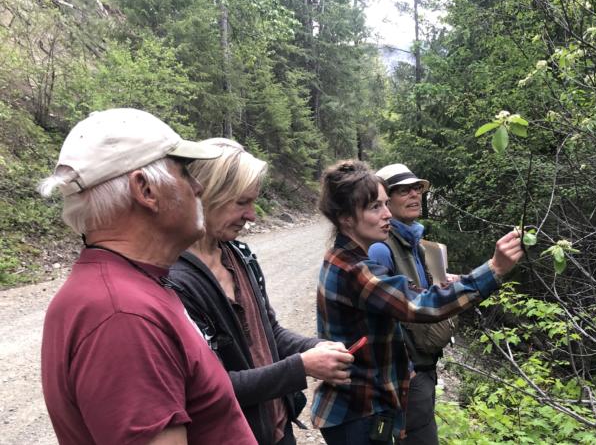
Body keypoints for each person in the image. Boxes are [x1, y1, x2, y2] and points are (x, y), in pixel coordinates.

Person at [38, 108, 257, 444]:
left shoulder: (129, 287)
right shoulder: (121, 314)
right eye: (184, 172)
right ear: (146, 190)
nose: (198, 188)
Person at [311, 160, 524, 444]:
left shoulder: (348, 259)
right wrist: (494, 269)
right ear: (346, 217)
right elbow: (420, 305)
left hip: (364, 408)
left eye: (386, 204)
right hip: (358, 413)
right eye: (375, 207)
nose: (387, 214)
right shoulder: (355, 269)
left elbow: (401, 297)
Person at [168, 138, 354, 445]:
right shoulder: (175, 281)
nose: (252, 215)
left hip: (278, 432)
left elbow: (270, 334)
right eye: (241, 203)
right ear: (205, 194)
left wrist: (320, 347)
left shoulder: (239, 256)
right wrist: (302, 366)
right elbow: (209, 387)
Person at [368, 163, 452, 445]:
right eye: (404, 191)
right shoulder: (381, 248)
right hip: (408, 371)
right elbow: (379, 314)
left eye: (417, 188)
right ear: (386, 201)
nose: (415, 195)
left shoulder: (414, 240)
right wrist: (406, 370)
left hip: (424, 364)